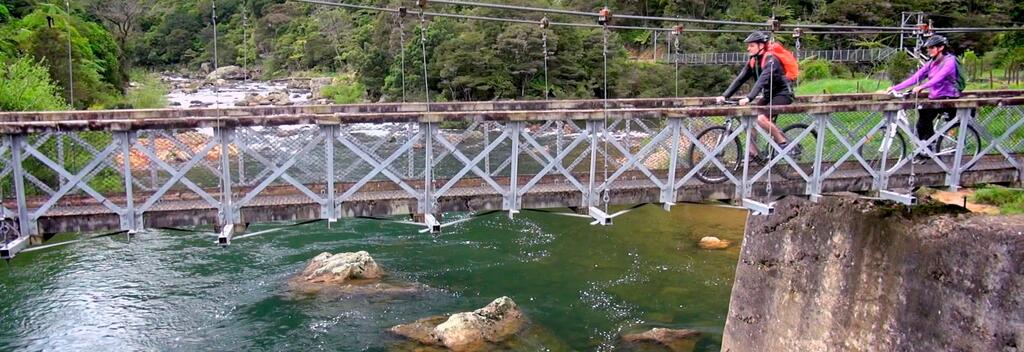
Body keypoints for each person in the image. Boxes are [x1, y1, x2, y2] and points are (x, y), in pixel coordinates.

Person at [716, 31, 797, 160]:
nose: (748, 48)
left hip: (782, 94)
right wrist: (725, 96)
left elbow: (762, 80)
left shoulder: (771, 60)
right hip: (768, 95)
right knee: (750, 118)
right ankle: (753, 153)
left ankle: (784, 144)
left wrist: (749, 98)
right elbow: (740, 79)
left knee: (761, 119)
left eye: (751, 45)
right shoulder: (754, 61)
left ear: (761, 46)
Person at [885, 35, 960, 162]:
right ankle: (926, 147)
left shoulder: (950, 61)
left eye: (931, 47)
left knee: (924, 117)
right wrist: (895, 88)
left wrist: (923, 86)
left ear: (941, 48)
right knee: (922, 121)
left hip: (948, 98)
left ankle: (928, 146)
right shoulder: (931, 63)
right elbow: (915, 78)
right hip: (935, 98)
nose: (929, 50)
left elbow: (939, 77)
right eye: (928, 48)